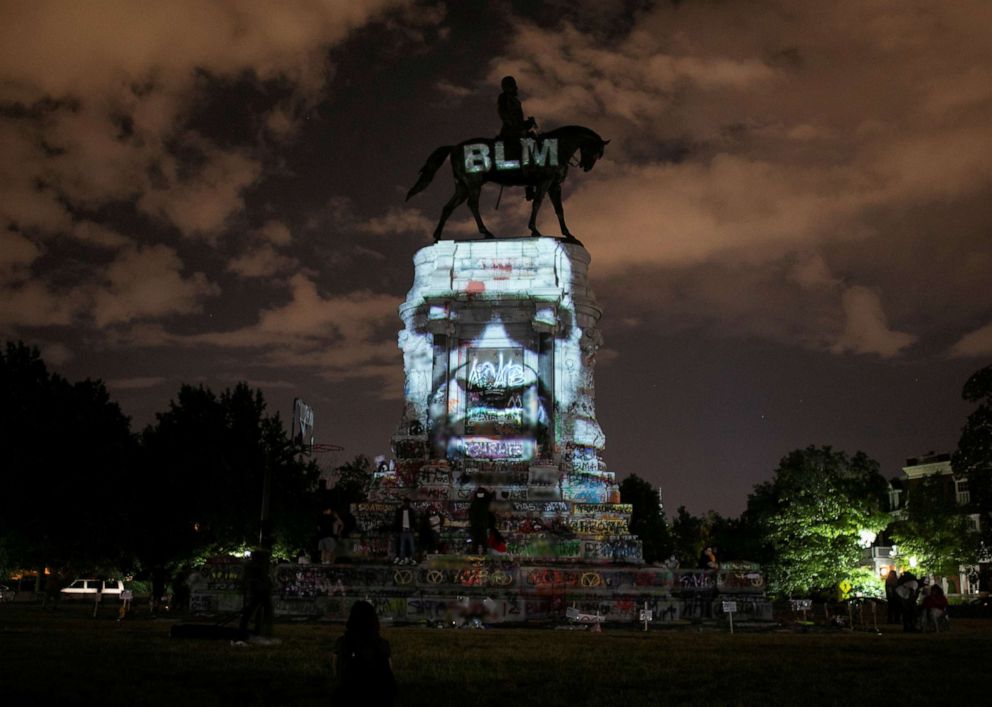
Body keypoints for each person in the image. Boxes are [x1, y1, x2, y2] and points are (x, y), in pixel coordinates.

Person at [332, 600, 396, 706]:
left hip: (348, 696)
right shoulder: (381, 644)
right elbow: (389, 673)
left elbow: (336, 671)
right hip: (377, 697)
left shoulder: (342, 643)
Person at [497, 75, 538, 200]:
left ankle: (531, 180)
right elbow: (505, 115)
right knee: (526, 152)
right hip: (510, 132)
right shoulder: (504, 98)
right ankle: (529, 187)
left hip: (518, 130)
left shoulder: (515, 100)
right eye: (512, 86)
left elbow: (518, 120)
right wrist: (519, 128)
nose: (515, 88)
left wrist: (527, 124)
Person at [239, 547, 274, 638]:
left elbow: (245, 578)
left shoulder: (250, 565)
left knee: (253, 610)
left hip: (257, 589)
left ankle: (248, 628)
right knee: (260, 610)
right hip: (259, 590)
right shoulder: (258, 566)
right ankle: (259, 629)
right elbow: (263, 578)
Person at [469, 487, 493, 555]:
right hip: (482, 525)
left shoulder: (475, 502)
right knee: (482, 540)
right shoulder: (485, 501)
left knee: (476, 541)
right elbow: (490, 495)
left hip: (477, 525)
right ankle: (481, 554)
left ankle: (476, 554)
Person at [393, 497, 417, 565]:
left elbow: (414, 521)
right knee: (402, 547)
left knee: (411, 547)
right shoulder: (400, 511)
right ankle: (403, 559)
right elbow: (396, 521)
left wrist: (414, 529)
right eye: (406, 502)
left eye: (408, 503)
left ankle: (412, 559)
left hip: (409, 531)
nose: (407, 504)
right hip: (402, 530)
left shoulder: (411, 511)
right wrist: (396, 530)